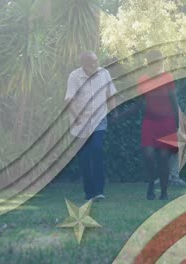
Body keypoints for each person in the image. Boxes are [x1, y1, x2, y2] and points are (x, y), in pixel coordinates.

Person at [65, 51, 117, 201]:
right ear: (84, 65)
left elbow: (111, 94)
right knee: (85, 158)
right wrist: (77, 117)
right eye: (91, 63)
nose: (95, 65)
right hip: (80, 124)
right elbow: (68, 99)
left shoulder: (104, 73)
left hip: (99, 120)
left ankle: (99, 191)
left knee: (97, 151)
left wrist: (113, 112)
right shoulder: (75, 76)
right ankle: (89, 193)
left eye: (96, 61)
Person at [137, 50, 179, 200]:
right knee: (148, 155)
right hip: (150, 122)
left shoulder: (168, 77)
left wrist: (178, 125)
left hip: (167, 122)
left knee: (163, 157)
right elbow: (140, 102)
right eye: (155, 61)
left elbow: (174, 101)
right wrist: (121, 115)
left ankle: (164, 192)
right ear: (149, 63)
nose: (158, 64)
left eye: (160, 61)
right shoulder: (143, 79)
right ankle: (150, 185)